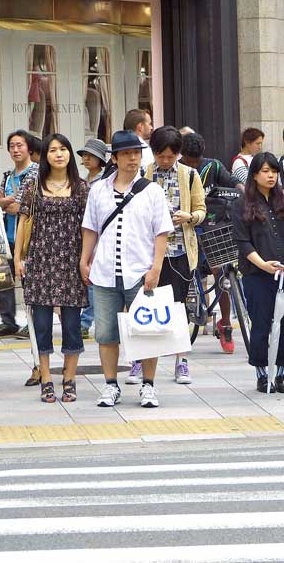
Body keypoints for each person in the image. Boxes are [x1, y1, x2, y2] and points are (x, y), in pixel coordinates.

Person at [80, 130, 173, 408]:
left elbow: (161, 232)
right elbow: (91, 228)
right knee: (106, 333)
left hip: (139, 272)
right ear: (116, 158)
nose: (133, 158)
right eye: (127, 154)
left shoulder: (152, 190)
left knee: (147, 331)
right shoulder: (98, 190)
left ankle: (148, 385)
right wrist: (84, 259)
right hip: (105, 272)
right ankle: (110, 386)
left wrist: (156, 267)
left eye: (136, 153)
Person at [15, 134, 89, 404]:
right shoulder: (33, 186)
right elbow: (23, 223)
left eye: (64, 149)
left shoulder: (81, 187)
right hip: (40, 260)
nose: (59, 154)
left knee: (72, 323)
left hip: (72, 261)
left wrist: (87, 259)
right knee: (42, 323)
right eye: (53, 150)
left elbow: (88, 228)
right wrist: (17, 259)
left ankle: (69, 378)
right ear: (45, 155)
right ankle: (46, 378)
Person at [232, 152, 284, 393]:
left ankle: (281, 373)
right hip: (257, 273)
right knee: (261, 323)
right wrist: (263, 265)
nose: (270, 176)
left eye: (274, 171)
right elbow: (242, 241)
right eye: (265, 171)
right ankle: (261, 372)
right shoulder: (241, 203)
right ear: (254, 174)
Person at [131, 126, 206, 385]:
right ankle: (139, 361)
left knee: (178, 307)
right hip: (147, 253)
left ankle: (181, 360)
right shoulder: (143, 174)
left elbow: (201, 209)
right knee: (143, 305)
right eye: (161, 155)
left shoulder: (190, 175)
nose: (165, 161)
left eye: (170, 156)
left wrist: (190, 217)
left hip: (180, 250)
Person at [180, 131, 242, 353]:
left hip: (212, 226)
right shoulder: (178, 170)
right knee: (186, 274)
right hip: (186, 227)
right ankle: (187, 316)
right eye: (188, 161)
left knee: (221, 273)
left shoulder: (213, 167)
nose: (192, 165)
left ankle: (225, 324)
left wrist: (246, 197)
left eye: (196, 161)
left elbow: (235, 182)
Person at [0, 130, 38, 339]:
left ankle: (33, 322)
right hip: (6, 235)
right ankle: (8, 321)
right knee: (3, 279)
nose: (15, 150)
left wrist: (16, 206)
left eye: (20, 145)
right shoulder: (8, 175)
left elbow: (31, 204)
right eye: (12, 146)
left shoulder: (37, 173)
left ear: (29, 148)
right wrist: (3, 204)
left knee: (30, 282)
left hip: (28, 236)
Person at [76, 138, 108, 340]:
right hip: (85, 233)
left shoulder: (104, 181)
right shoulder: (85, 180)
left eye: (90, 155)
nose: (86, 158)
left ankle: (86, 321)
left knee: (93, 279)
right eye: (84, 155)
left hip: (100, 235)